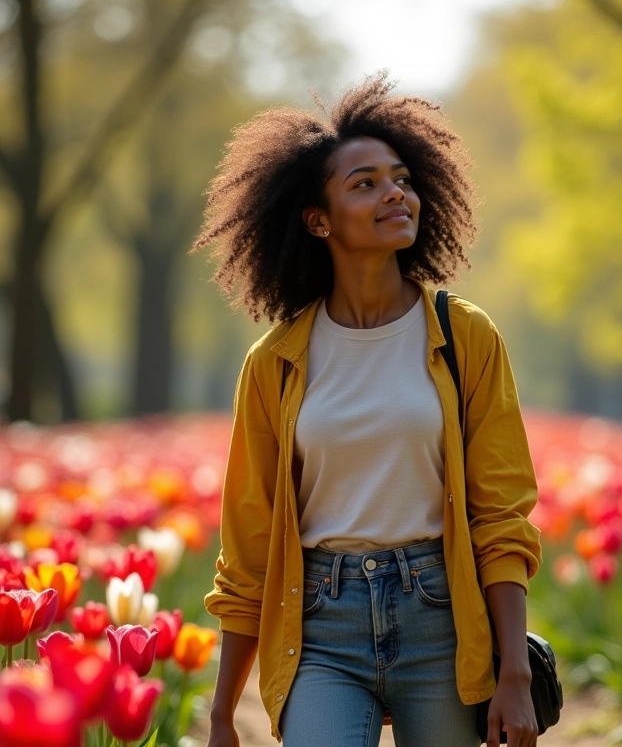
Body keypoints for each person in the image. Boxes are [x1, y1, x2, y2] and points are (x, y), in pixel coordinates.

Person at [195, 73, 542, 747]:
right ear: (317, 220)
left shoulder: (465, 337)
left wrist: (515, 674)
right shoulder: (276, 363)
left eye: (402, 177)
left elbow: (500, 516)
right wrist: (219, 716)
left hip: (440, 619)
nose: (395, 193)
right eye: (365, 183)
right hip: (320, 625)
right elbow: (248, 550)